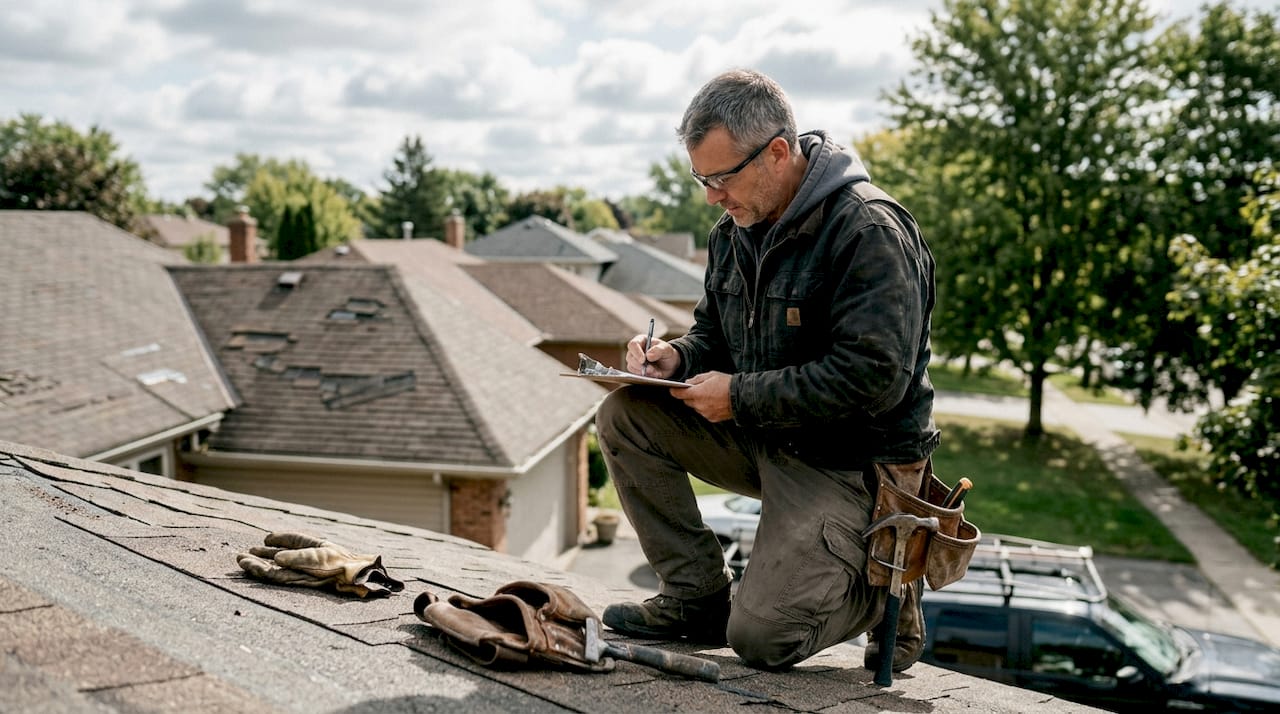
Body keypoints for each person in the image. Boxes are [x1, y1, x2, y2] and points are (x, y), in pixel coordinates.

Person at [596, 68, 939, 672]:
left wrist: (741, 398)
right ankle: (694, 599)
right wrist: (675, 357)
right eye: (702, 178)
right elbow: (713, 337)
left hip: (846, 464)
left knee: (761, 640)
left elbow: (874, 378)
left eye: (721, 177)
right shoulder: (735, 231)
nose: (711, 196)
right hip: (762, 434)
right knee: (626, 413)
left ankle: (883, 587)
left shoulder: (868, 231)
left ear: (778, 153)